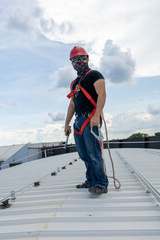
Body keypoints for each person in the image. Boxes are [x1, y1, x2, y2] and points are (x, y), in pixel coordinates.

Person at [64, 46, 108, 195]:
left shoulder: (94, 75)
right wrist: (67, 124)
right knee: (84, 155)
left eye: (81, 58)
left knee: (94, 154)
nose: (78, 62)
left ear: (87, 58)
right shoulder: (74, 83)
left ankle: (101, 184)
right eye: (75, 60)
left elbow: (102, 95)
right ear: (71, 63)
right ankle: (91, 181)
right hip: (78, 121)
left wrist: (96, 116)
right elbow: (72, 104)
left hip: (90, 119)